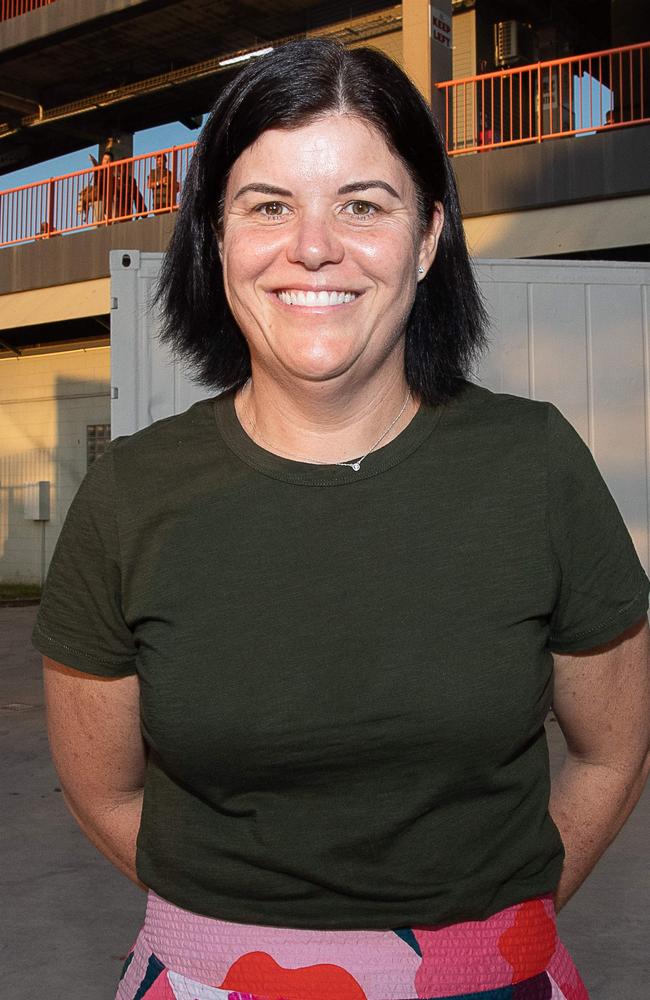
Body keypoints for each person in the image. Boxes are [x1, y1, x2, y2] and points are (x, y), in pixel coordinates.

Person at [34, 39, 650, 1000]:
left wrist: (485, 939)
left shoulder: (535, 465)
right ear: (217, 238)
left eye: (363, 205)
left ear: (430, 235)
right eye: (269, 206)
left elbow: (613, 751)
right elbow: (104, 793)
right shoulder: (130, 495)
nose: (312, 247)